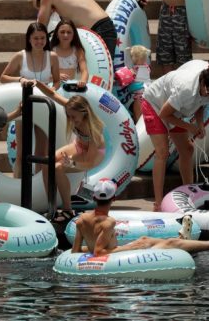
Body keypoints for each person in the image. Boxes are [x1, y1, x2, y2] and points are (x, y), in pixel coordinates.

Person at [72, 178, 209, 256]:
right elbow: (99, 252)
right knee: (172, 244)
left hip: (116, 251)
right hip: (120, 256)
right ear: (114, 198)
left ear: (94, 197)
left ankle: (182, 238)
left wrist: (90, 249)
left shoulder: (82, 219)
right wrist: (131, 248)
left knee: (145, 239)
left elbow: (76, 250)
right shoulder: (108, 223)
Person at [141, 60, 209, 212]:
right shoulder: (185, 89)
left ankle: (189, 194)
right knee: (162, 152)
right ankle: (158, 203)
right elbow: (164, 114)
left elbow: (201, 104)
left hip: (174, 109)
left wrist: (199, 124)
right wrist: (190, 127)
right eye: (207, 90)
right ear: (203, 82)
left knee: (187, 149)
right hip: (155, 104)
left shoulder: (205, 87)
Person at [36, 81, 105, 223]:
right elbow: (52, 94)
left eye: (73, 117)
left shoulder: (94, 133)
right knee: (46, 162)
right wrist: (36, 83)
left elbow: (89, 163)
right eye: (68, 116)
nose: (71, 120)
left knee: (58, 167)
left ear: (84, 113)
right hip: (79, 145)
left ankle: (68, 210)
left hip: (93, 155)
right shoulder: (72, 107)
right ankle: (52, 207)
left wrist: (72, 163)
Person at [0, 22, 60, 178]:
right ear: (29, 39)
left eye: (42, 38)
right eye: (36, 38)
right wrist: (20, 79)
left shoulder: (52, 57)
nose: (39, 41)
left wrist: (52, 89)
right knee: (21, 151)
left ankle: (39, 189)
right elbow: (3, 77)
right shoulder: (20, 56)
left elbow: (57, 81)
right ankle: (18, 186)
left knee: (41, 151)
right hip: (24, 105)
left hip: (43, 105)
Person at [32, 0, 117, 61]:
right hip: (107, 26)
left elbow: (40, 27)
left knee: (102, 72)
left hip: (98, 30)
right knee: (106, 71)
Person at [138, 0, 191, 75]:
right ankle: (168, 86)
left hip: (183, 12)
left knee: (184, 56)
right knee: (165, 54)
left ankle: (183, 87)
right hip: (166, 11)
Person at [113, 44, 151, 122]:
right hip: (146, 92)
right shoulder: (147, 67)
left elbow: (124, 78)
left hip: (138, 96)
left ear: (134, 58)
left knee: (138, 116)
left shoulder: (134, 70)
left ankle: (137, 127)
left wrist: (114, 81)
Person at [50, 19, 89, 88]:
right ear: (57, 34)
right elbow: (42, 73)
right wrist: (56, 76)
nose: (65, 35)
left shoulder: (78, 51)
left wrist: (83, 81)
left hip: (70, 88)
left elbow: (84, 71)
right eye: (62, 32)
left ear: (73, 34)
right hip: (52, 86)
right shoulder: (50, 51)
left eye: (69, 32)